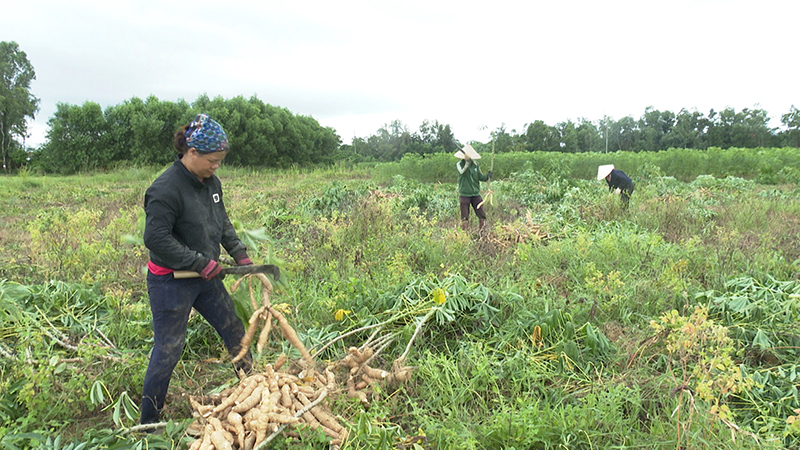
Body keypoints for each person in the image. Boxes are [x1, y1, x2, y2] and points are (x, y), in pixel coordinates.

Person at [140, 113, 254, 426]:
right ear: (192, 153)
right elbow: (155, 238)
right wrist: (200, 262)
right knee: (169, 350)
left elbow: (221, 223)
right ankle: (149, 424)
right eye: (213, 160)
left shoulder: (211, 183)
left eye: (220, 161)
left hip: (206, 277)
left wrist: (240, 255)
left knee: (235, 332)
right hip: (171, 281)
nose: (216, 166)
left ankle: (254, 390)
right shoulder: (165, 189)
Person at [456, 144, 492, 232]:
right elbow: (462, 172)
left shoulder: (476, 165)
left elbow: (480, 177)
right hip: (464, 195)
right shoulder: (459, 164)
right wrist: (467, 163)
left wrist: (488, 176)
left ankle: (482, 234)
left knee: (482, 215)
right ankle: (464, 237)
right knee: (464, 217)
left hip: (475, 194)